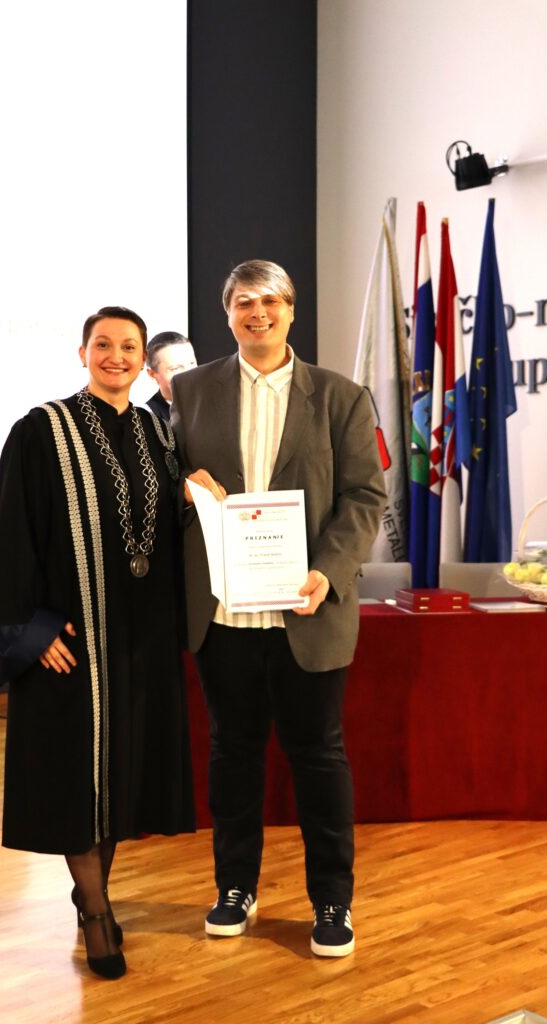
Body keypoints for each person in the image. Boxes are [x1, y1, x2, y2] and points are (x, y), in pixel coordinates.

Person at [170, 260, 386, 958]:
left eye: (269, 301)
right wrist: (184, 485)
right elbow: (167, 478)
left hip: (309, 609)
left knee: (318, 757)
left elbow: (365, 497)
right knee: (232, 755)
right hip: (223, 615)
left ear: (291, 310)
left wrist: (329, 571)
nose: (256, 313)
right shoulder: (189, 391)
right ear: (226, 313)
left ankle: (332, 901)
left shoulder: (340, 395)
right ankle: (235, 888)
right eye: (242, 302)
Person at [0, 306, 194, 980]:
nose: (116, 356)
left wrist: (197, 500)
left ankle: (93, 892)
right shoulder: (41, 429)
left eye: (129, 346)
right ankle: (97, 912)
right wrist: (31, 629)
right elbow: (12, 537)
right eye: (103, 344)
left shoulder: (159, 434)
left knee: (118, 778)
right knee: (77, 777)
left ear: (144, 361)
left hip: (139, 637)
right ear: (83, 353)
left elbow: (165, 531)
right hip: (70, 638)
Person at [145, 331, 197, 420]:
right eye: (175, 368)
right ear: (152, 374)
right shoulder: (145, 420)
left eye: (192, 363)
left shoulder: (216, 402)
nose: (189, 373)